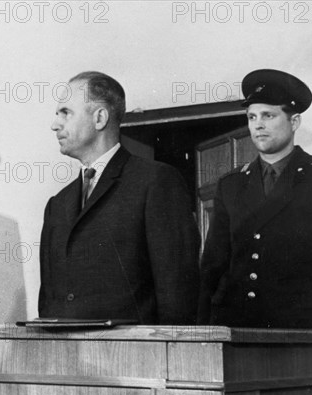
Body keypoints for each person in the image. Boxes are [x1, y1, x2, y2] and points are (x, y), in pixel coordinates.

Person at [197, 69, 312, 329]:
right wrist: (202, 330)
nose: (258, 125)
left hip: (303, 332)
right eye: (251, 117)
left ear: (295, 121)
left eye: (268, 115)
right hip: (239, 329)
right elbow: (213, 266)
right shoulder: (230, 185)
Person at [38, 71, 200, 325]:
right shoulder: (57, 204)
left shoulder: (155, 181)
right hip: (69, 358)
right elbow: (48, 301)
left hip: (136, 357)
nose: (55, 124)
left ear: (100, 118)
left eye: (65, 113)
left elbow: (177, 290)